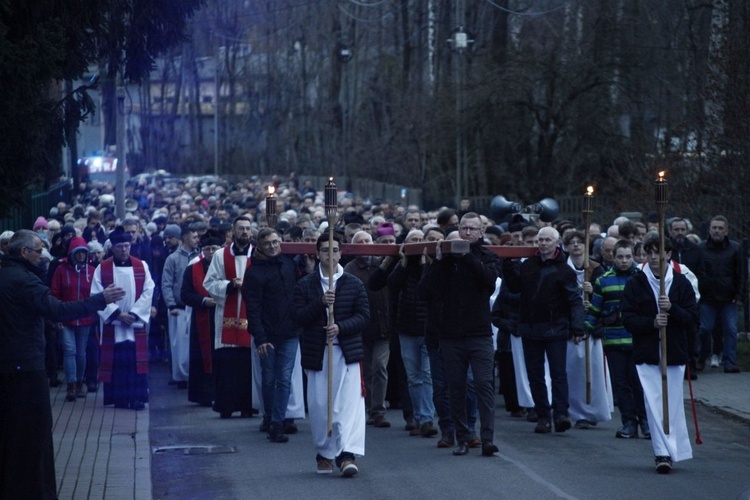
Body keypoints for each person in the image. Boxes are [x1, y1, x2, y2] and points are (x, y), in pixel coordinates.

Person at [0, 229, 125, 500]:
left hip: (7, 366)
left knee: (9, 434)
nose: (43, 257)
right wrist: (100, 299)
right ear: (24, 252)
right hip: (26, 368)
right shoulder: (24, 281)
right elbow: (58, 310)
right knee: (34, 437)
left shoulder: (6, 275)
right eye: (38, 251)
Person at [419, 212, 501, 457]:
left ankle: (487, 438)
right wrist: (441, 262)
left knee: (484, 385)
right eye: (463, 228)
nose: (467, 233)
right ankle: (462, 437)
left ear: (480, 232)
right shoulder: (445, 261)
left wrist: (466, 258)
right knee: (456, 387)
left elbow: (488, 282)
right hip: (450, 334)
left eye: (472, 229)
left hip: (479, 333)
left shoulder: (488, 256)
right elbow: (425, 291)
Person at [291, 233, 370, 477]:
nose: (330, 254)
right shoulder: (305, 285)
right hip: (318, 354)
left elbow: (364, 316)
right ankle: (324, 453)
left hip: (346, 354)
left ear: (340, 253)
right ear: (317, 254)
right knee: (319, 407)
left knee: (347, 407)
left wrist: (340, 327)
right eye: (325, 250)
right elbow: (297, 316)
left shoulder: (353, 283)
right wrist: (320, 303)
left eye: (334, 250)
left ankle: (346, 455)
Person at [621, 233, 698, 473]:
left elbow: (692, 319)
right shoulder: (636, 283)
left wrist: (672, 309)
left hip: (673, 353)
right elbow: (628, 318)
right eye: (649, 252)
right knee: (653, 403)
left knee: (672, 403)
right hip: (647, 354)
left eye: (658, 252)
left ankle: (673, 449)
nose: (654, 257)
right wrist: (651, 323)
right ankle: (661, 453)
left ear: (668, 254)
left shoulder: (681, 283)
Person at [503, 226, 584, 434]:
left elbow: (574, 300)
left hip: (555, 328)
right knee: (535, 375)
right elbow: (514, 287)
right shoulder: (528, 265)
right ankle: (542, 415)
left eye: (548, 240)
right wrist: (508, 264)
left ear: (556, 243)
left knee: (558, 374)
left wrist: (577, 327)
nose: (543, 243)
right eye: (540, 240)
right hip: (531, 328)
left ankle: (561, 413)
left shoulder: (564, 270)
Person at [242, 228, 302, 443]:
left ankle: (277, 423)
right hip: (267, 334)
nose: (273, 246)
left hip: (289, 332)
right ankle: (268, 416)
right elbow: (253, 309)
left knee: (284, 378)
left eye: (275, 242)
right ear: (260, 245)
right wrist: (260, 338)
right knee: (269, 378)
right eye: (268, 243)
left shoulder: (288, 263)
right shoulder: (254, 273)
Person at [585, 240, 648, 439]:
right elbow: (594, 311)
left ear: (634, 257)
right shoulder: (603, 280)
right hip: (613, 341)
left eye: (628, 257)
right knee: (621, 385)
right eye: (620, 256)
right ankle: (629, 422)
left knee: (639, 384)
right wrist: (584, 330)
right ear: (614, 256)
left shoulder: (643, 278)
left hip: (637, 340)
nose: (624, 260)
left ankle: (645, 421)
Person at [91, 227, 156, 410]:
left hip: (134, 323)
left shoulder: (141, 265)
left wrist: (134, 314)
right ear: (112, 248)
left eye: (127, 246)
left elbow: (148, 290)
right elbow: (97, 294)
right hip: (115, 324)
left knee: (135, 363)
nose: (124, 250)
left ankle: (136, 399)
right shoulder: (101, 269)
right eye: (120, 247)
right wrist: (118, 314)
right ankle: (118, 399)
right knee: (117, 363)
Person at [203, 216, 255, 418]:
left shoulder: (257, 254)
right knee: (227, 365)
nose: (244, 232)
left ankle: (247, 406)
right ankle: (225, 406)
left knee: (247, 365)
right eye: (240, 228)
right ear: (233, 231)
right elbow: (210, 283)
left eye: (247, 229)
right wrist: (230, 285)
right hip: (226, 314)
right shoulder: (220, 255)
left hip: (251, 315)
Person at [388, 229, 437, 438]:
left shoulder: (433, 265)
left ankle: (426, 418)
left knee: (426, 375)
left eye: (420, 240)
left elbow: (430, 290)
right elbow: (391, 285)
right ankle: (418, 417)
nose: (417, 244)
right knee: (413, 377)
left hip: (427, 328)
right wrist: (403, 263)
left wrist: (427, 264)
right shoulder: (404, 265)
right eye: (413, 241)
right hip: (406, 328)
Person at [561, 230, 611, 430]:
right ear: (565, 247)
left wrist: (594, 294)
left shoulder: (596, 269)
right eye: (571, 243)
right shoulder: (562, 269)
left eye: (579, 242)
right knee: (573, 372)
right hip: (570, 329)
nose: (575, 246)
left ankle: (593, 411)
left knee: (594, 372)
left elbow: (608, 299)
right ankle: (575, 411)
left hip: (592, 328)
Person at [344, 230, 392, 428]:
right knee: (366, 371)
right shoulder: (349, 269)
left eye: (367, 241)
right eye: (360, 241)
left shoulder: (383, 264)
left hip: (383, 327)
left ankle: (378, 410)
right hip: (361, 329)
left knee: (380, 368)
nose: (364, 244)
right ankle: (368, 408)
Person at [50, 236, 98, 401]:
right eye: (77, 253)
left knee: (81, 352)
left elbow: (96, 294)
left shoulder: (91, 271)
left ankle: (80, 381)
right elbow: (55, 293)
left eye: (83, 253)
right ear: (71, 254)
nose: (80, 256)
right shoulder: (61, 270)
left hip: (85, 318)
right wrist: (56, 317)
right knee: (69, 350)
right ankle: (71, 384)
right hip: (66, 317)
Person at [695, 215, 745, 373]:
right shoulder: (701, 248)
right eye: (714, 228)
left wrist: (740, 295)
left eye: (720, 228)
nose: (717, 231)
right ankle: (702, 357)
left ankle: (729, 362)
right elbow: (696, 272)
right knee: (704, 329)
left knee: (730, 329)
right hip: (706, 297)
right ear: (709, 230)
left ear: (726, 230)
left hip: (728, 297)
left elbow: (741, 274)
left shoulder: (736, 248)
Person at [180, 230, 222, 407]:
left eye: (214, 249)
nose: (210, 252)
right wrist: (205, 301)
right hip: (202, 318)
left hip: (222, 318)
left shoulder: (227, 266)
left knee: (222, 358)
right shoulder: (192, 269)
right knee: (201, 358)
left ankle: (221, 394)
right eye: (207, 249)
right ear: (202, 250)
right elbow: (185, 294)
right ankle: (204, 395)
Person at [162, 225, 200, 388]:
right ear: (185, 239)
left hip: (196, 306)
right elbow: (166, 284)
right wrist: (171, 305)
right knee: (179, 346)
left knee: (194, 345)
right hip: (179, 308)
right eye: (194, 237)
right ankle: (181, 378)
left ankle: (194, 376)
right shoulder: (173, 259)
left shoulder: (200, 256)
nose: (197, 240)